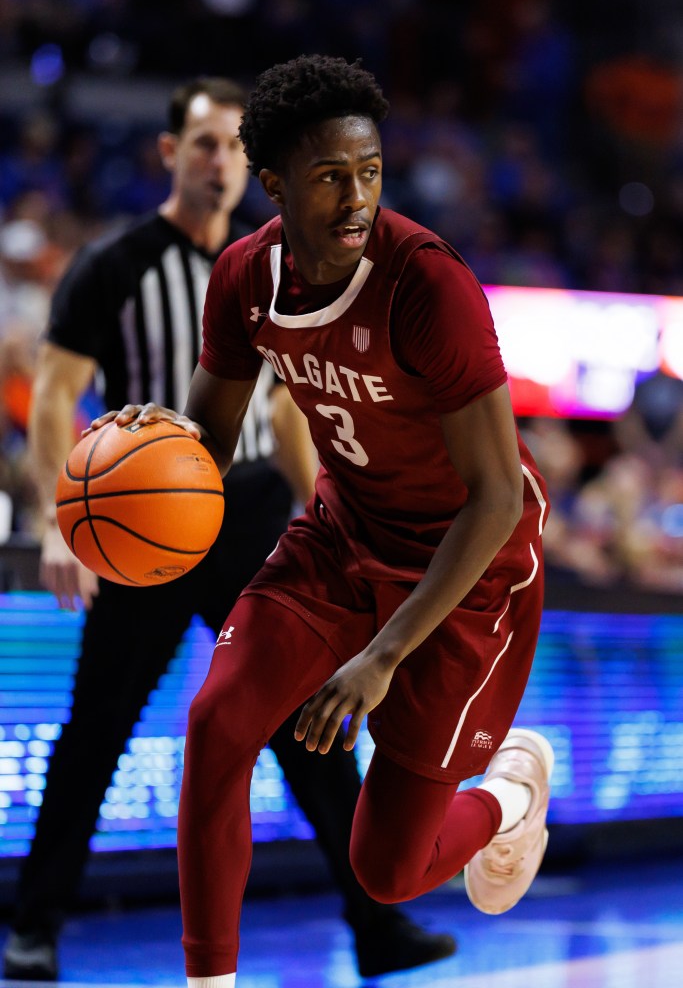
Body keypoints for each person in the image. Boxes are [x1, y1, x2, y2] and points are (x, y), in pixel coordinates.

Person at [95, 55, 554, 987]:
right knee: (219, 722)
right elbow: (210, 443)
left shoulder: (427, 284)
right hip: (342, 536)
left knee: (383, 872)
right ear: (273, 183)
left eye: (371, 171)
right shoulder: (244, 278)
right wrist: (151, 451)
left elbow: (496, 497)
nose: (356, 197)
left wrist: (383, 654)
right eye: (330, 176)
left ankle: (507, 792)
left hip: (470, 567)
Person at [2, 76, 456, 983]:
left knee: (307, 722)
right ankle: (36, 925)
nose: (219, 163)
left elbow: (286, 406)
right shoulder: (116, 263)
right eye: (202, 144)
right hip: (150, 511)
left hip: (247, 505)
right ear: (170, 154)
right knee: (99, 724)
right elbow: (54, 391)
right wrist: (62, 516)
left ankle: (379, 925)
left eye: (231, 150)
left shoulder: (276, 267)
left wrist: (334, 510)